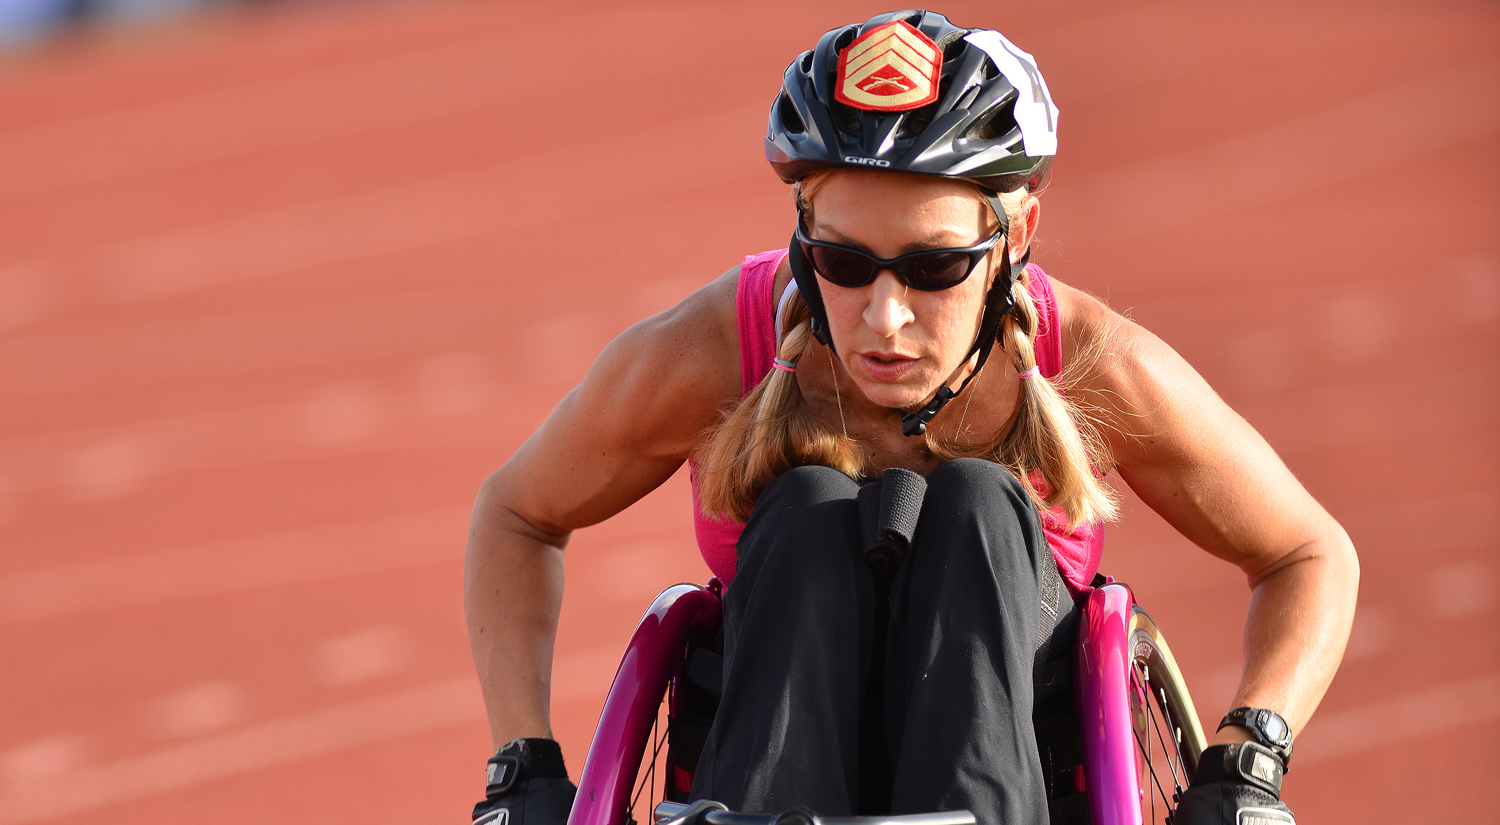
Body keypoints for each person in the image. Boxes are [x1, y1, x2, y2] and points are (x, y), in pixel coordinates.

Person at [464, 10, 1358, 825]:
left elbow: (1308, 553)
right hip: (777, 736)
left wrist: (1248, 759)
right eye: (844, 264)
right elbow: (517, 511)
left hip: (1019, 746)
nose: (883, 318)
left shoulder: (1088, 359)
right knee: (809, 507)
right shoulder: (712, 348)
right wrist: (525, 762)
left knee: (977, 502)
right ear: (802, 228)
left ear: (1015, 236)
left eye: (933, 269)